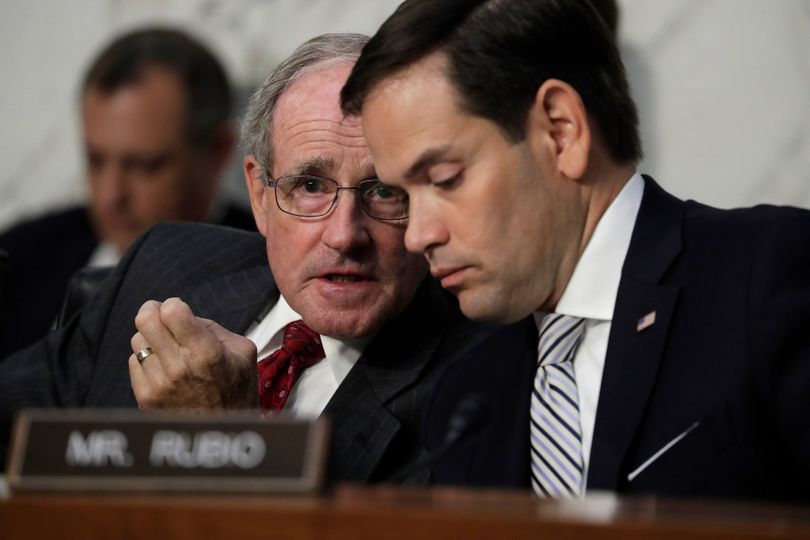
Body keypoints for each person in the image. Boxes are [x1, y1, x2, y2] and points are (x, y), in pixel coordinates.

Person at [340, 0, 810, 501]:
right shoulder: (467, 396)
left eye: (444, 179)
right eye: (400, 195)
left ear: (561, 131)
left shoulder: (769, 273)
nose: (417, 235)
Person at [0, 33, 498, 484]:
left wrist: (226, 438)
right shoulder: (165, 264)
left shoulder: (475, 391)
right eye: (309, 185)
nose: (345, 235)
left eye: (384, 191)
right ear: (259, 195)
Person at [0, 28, 255, 358]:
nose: (110, 195)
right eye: (95, 160)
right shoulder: (23, 259)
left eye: (144, 166)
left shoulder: (267, 270)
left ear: (218, 150)